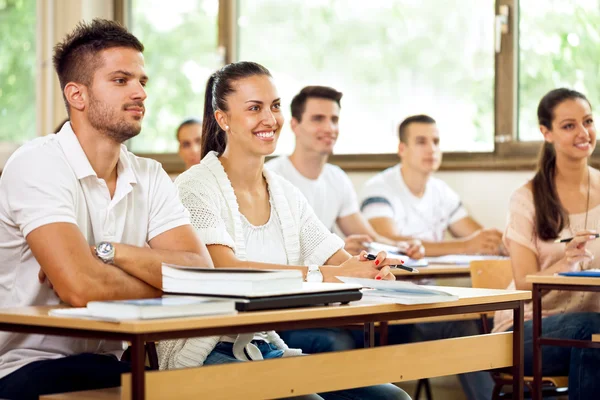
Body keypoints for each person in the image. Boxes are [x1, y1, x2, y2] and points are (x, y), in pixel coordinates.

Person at [157, 61, 410, 400]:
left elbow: (338, 260)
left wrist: (371, 270)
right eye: (254, 108)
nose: (269, 119)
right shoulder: (194, 187)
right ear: (223, 119)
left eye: (274, 106)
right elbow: (225, 271)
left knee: (391, 398)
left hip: (262, 346)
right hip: (205, 352)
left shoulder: (285, 192)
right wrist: (330, 274)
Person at [0, 19, 212, 400]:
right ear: (77, 95)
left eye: (142, 81)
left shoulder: (150, 173)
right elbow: (82, 288)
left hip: (115, 365)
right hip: (25, 369)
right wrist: (166, 282)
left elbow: (200, 274)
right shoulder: (37, 162)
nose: (140, 92)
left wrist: (108, 255)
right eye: (121, 80)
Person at [493, 88, 600, 399]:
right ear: (546, 132)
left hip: (590, 327)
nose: (583, 133)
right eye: (569, 125)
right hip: (525, 330)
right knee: (592, 332)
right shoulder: (527, 199)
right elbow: (525, 285)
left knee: (594, 335)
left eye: (588, 121)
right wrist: (566, 262)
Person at [267, 86, 424, 258]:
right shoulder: (272, 176)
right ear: (294, 126)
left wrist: (404, 246)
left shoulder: (337, 178)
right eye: (318, 119)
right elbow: (273, 249)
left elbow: (371, 239)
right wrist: (335, 253)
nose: (329, 128)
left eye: (334, 119)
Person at [359, 114, 504, 256]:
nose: (432, 149)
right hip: (392, 278)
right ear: (402, 149)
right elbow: (386, 241)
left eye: (436, 142)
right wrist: (465, 246)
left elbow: (480, 238)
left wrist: (498, 242)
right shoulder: (378, 189)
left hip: (433, 279)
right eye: (421, 142)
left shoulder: (442, 191)